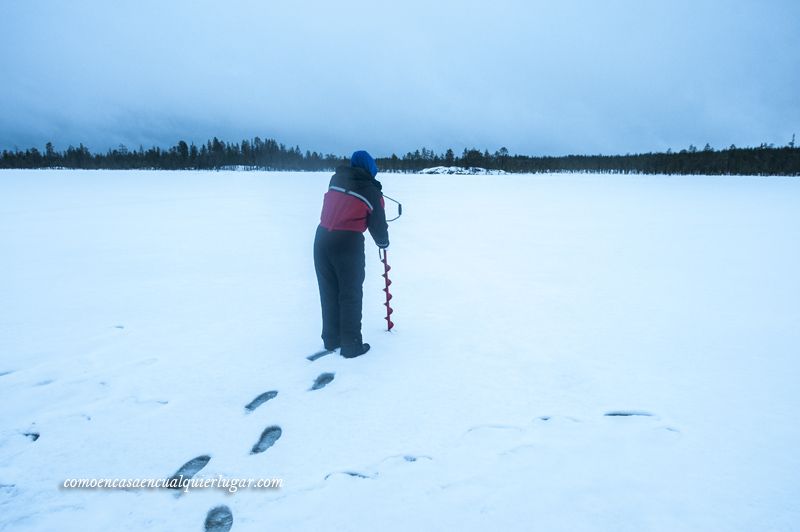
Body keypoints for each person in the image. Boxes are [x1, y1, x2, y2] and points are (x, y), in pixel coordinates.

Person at [314, 150, 389, 358]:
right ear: (370, 168)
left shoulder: (335, 179)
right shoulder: (371, 191)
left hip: (321, 240)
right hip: (347, 243)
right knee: (350, 294)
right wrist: (383, 242)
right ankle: (351, 345)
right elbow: (378, 225)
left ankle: (331, 339)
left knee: (329, 291)